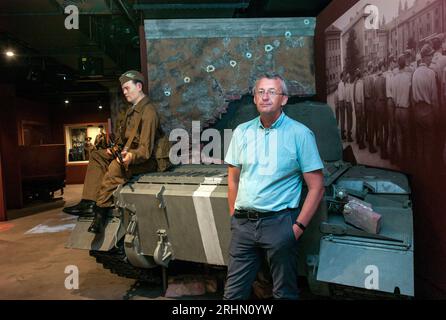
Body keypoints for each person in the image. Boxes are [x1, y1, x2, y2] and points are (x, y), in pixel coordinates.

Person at [223, 73, 325, 299]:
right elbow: (233, 179)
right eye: (261, 92)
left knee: (284, 293)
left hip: (280, 224)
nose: (265, 97)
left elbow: (317, 187)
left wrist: (296, 228)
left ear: (284, 99)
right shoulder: (242, 132)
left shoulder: (300, 134)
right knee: (233, 295)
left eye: (272, 92)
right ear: (254, 98)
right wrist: (234, 216)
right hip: (243, 226)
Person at [63, 70, 161, 233]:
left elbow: (145, 150)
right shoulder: (132, 111)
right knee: (97, 156)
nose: (124, 92)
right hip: (129, 153)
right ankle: (89, 201)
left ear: (138, 86)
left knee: (115, 167)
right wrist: (114, 149)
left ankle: (101, 212)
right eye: (122, 89)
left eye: (127, 88)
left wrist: (130, 156)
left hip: (147, 160)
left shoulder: (149, 112)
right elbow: (125, 139)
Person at [412, 44, 438, 168]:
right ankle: (427, 171)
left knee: (419, 142)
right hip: (428, 111)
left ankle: (420, 169)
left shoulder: (415, 73)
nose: (432, 58)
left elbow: (412, 96)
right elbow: (434, 98)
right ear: (425, 57)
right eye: (430, 55)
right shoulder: (431, 73)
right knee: (428, 144)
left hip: (417, 111)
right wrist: (436, 115)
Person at [392, 54, 413, 169]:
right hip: (405, 109)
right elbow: (410, 94)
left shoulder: (395, 78)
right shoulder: (408, 77)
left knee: (399, 136)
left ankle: (400, 162)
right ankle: (408, 161)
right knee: (407, 136)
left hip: (397, 110)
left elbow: (394, 97)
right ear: (405, 64)